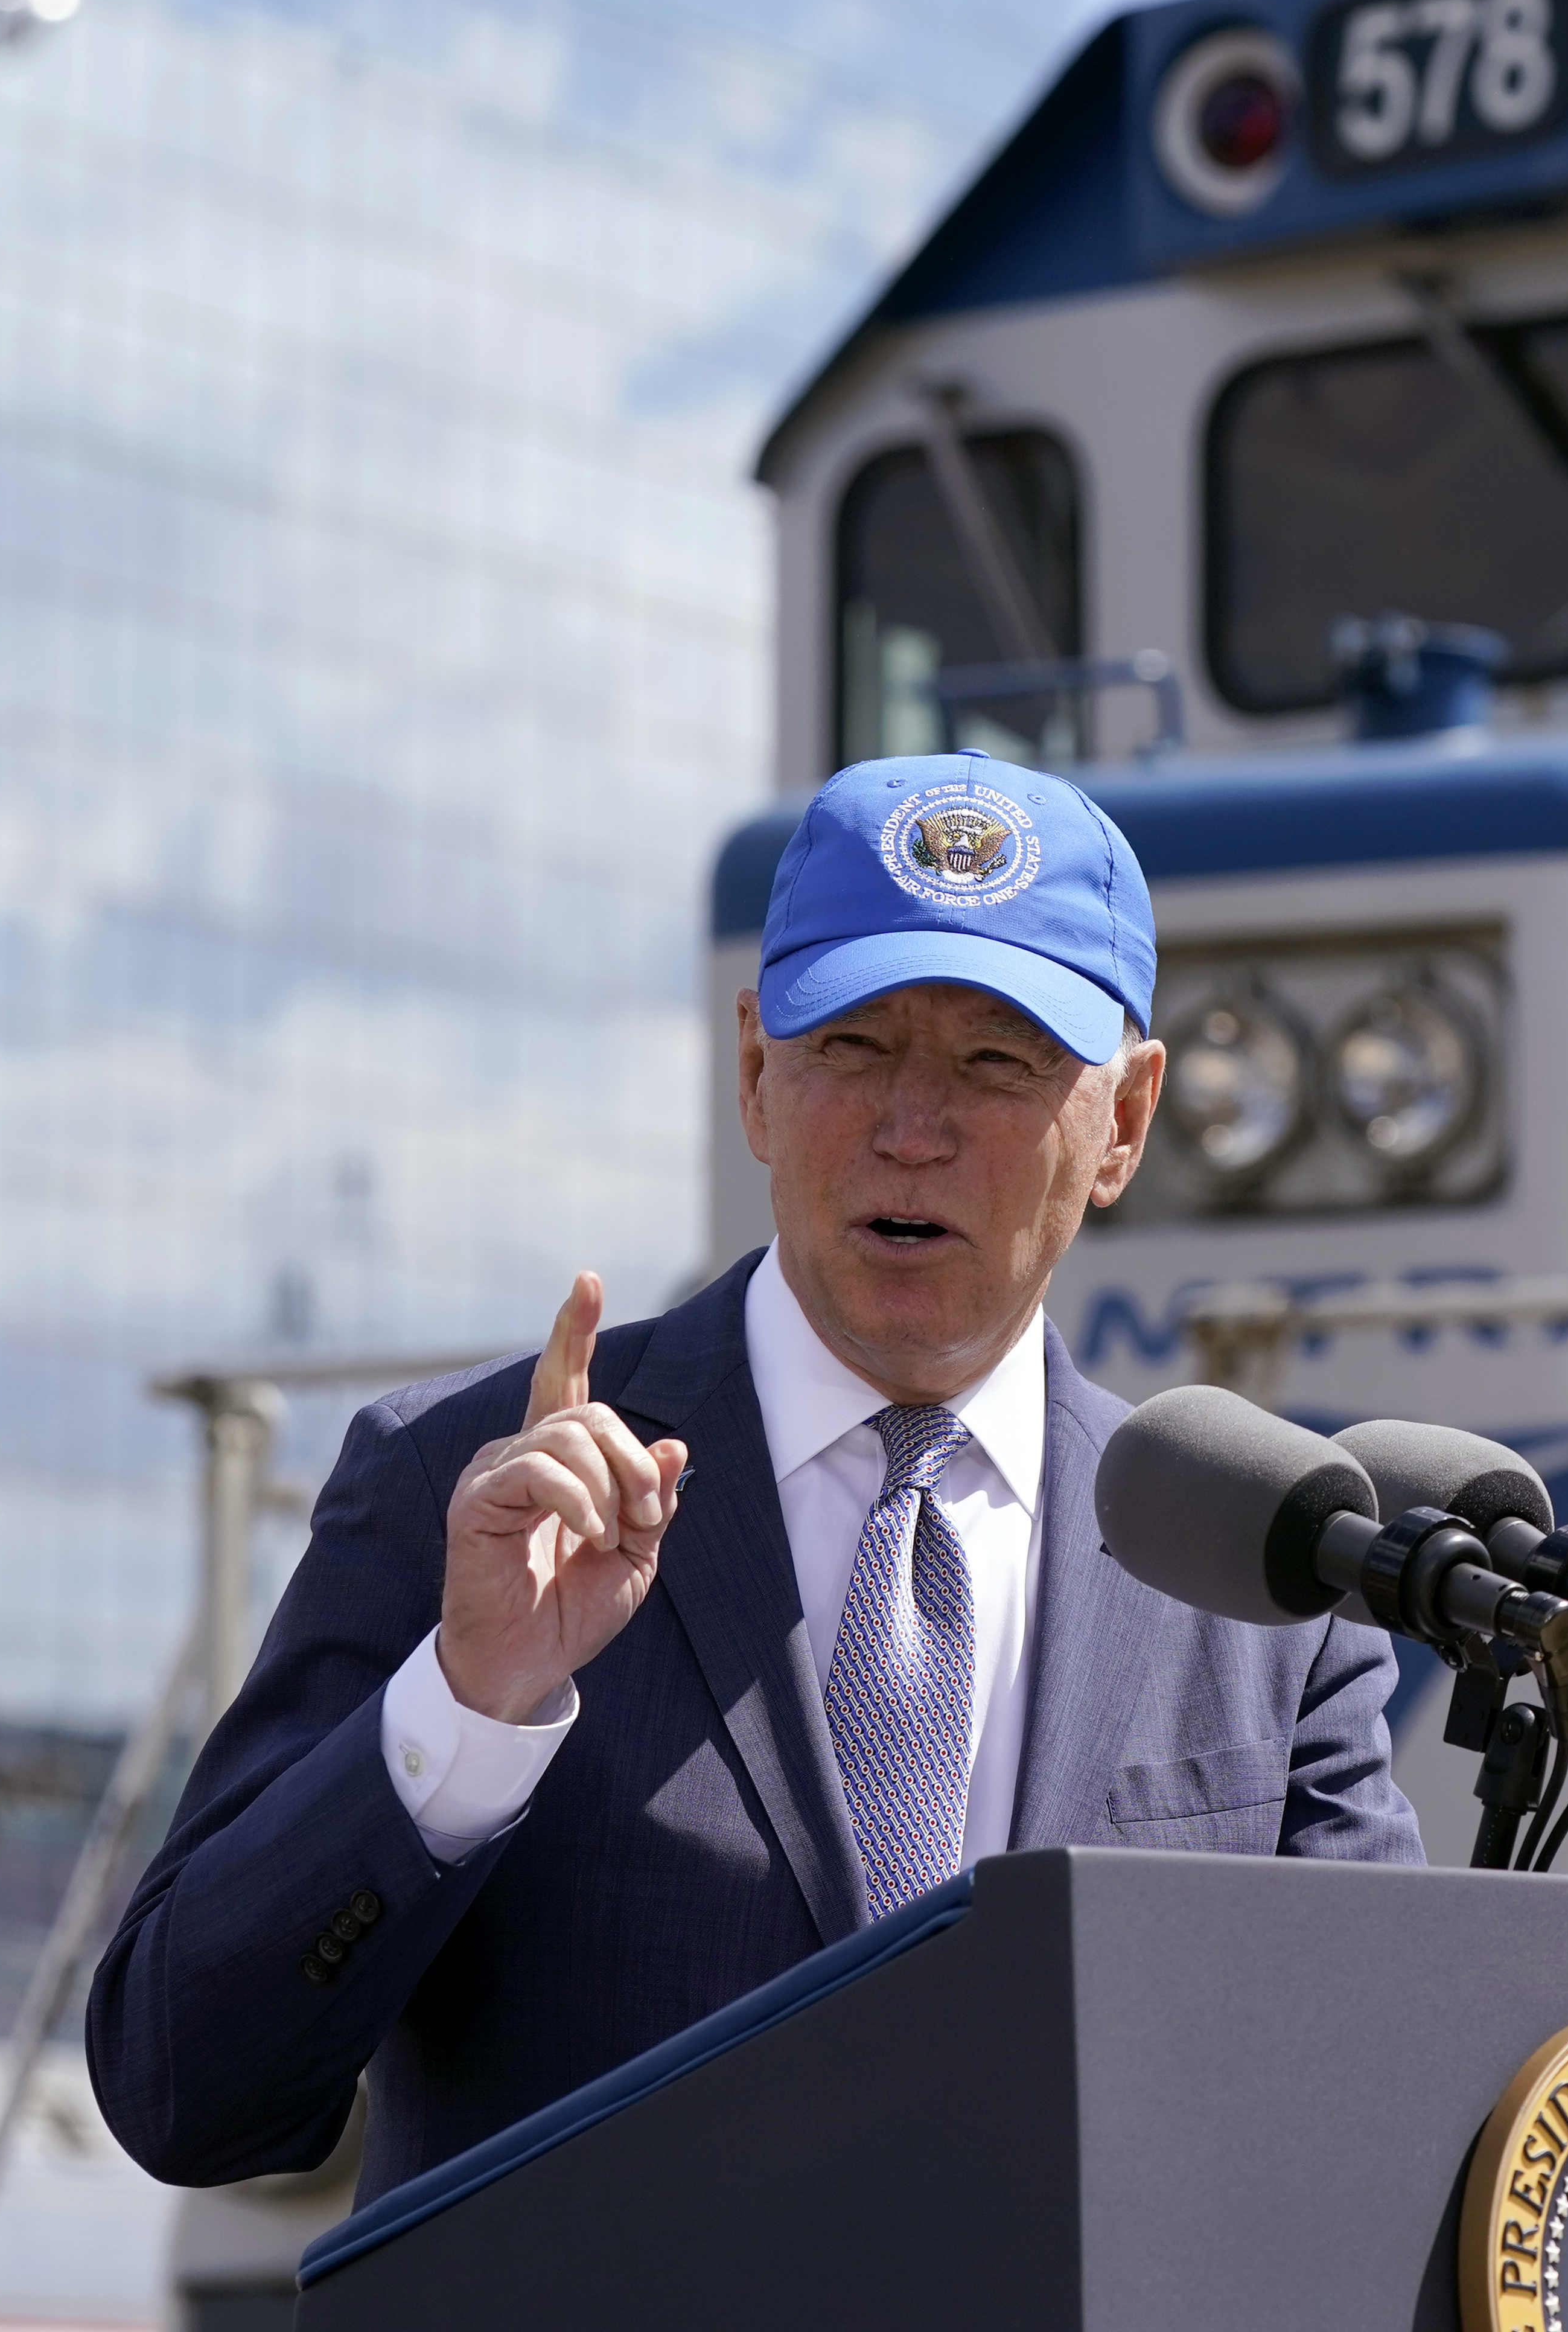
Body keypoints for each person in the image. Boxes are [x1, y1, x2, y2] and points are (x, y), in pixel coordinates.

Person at [88, 753, 1420, 2200]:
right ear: (754, 1075)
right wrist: (467, 1709)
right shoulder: (463, 1492)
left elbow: (1365, 2134)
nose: (912, 1125)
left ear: (1127, 1119)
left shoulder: (1260, 1581)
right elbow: (183, 2091)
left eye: (996, 1060)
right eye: (851, 1045)